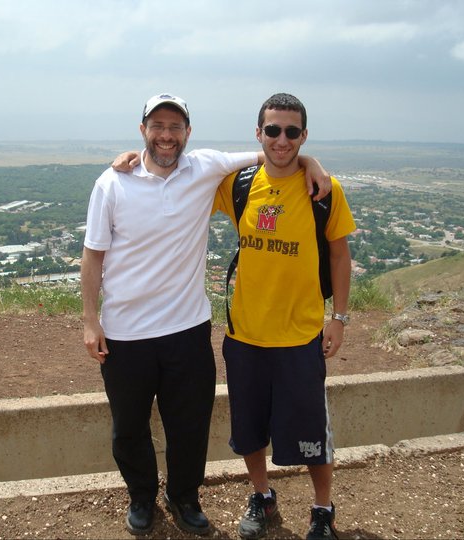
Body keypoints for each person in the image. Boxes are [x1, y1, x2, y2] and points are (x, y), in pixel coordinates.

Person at [81, 93, 331, 536]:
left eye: (175, 127)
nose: (166, 135)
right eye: (157, 126)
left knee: (189, 425)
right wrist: (89, 319)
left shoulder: (204, 168)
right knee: (129, 426)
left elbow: (275, 153)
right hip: (125, 332)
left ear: (188, 132)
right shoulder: (112, 183)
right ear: (143, 130)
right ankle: (141, 496)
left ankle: (184, 497)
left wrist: (311, 161)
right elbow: (93, 254)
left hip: (187, 329)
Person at [212, 93, 356, 540]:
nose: (282, 139)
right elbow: (182, 174)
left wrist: (339, 318)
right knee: (249, 432)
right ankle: (262, 496)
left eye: (292, 132)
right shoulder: (238, 185)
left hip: (299, 337)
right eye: (273, 130)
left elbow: (340, 255)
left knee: (313, 435)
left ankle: (322, 509)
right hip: (246, 335)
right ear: (258, 133)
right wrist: (136, 159)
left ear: (304, 135)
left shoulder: (323, 191)